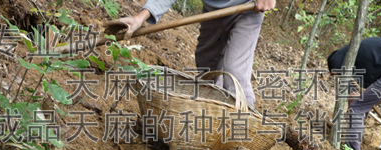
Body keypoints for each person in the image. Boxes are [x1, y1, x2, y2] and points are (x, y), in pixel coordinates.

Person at [116, 0, 275, 107]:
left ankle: (243, 127)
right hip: (213, 12)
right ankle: (212, 117)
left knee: (234, 70)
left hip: (247, 9)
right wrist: (140, 17)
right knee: (206, 65)